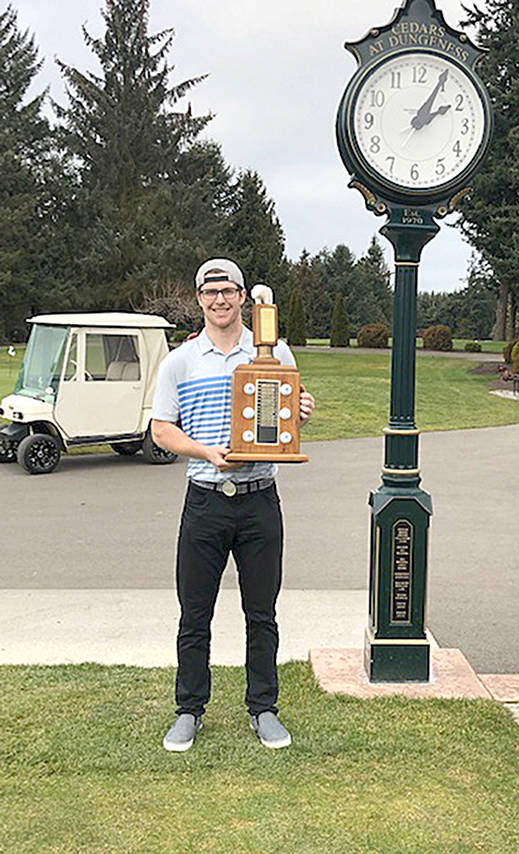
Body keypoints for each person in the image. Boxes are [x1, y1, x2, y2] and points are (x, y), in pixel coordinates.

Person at [151, 258, 315, 752]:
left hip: (259, 501)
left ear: (243, 297)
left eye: (228, 291)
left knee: (261, 612)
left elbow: (285, 422)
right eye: (209, 292)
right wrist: (206, 452)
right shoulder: (181, 360)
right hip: (205, 501)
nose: (219, 300)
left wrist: (303, 411)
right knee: (194, 613)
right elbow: (162, 430)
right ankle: (189, 710)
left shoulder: (274, 351)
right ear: (199, 299)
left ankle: (263, 708)